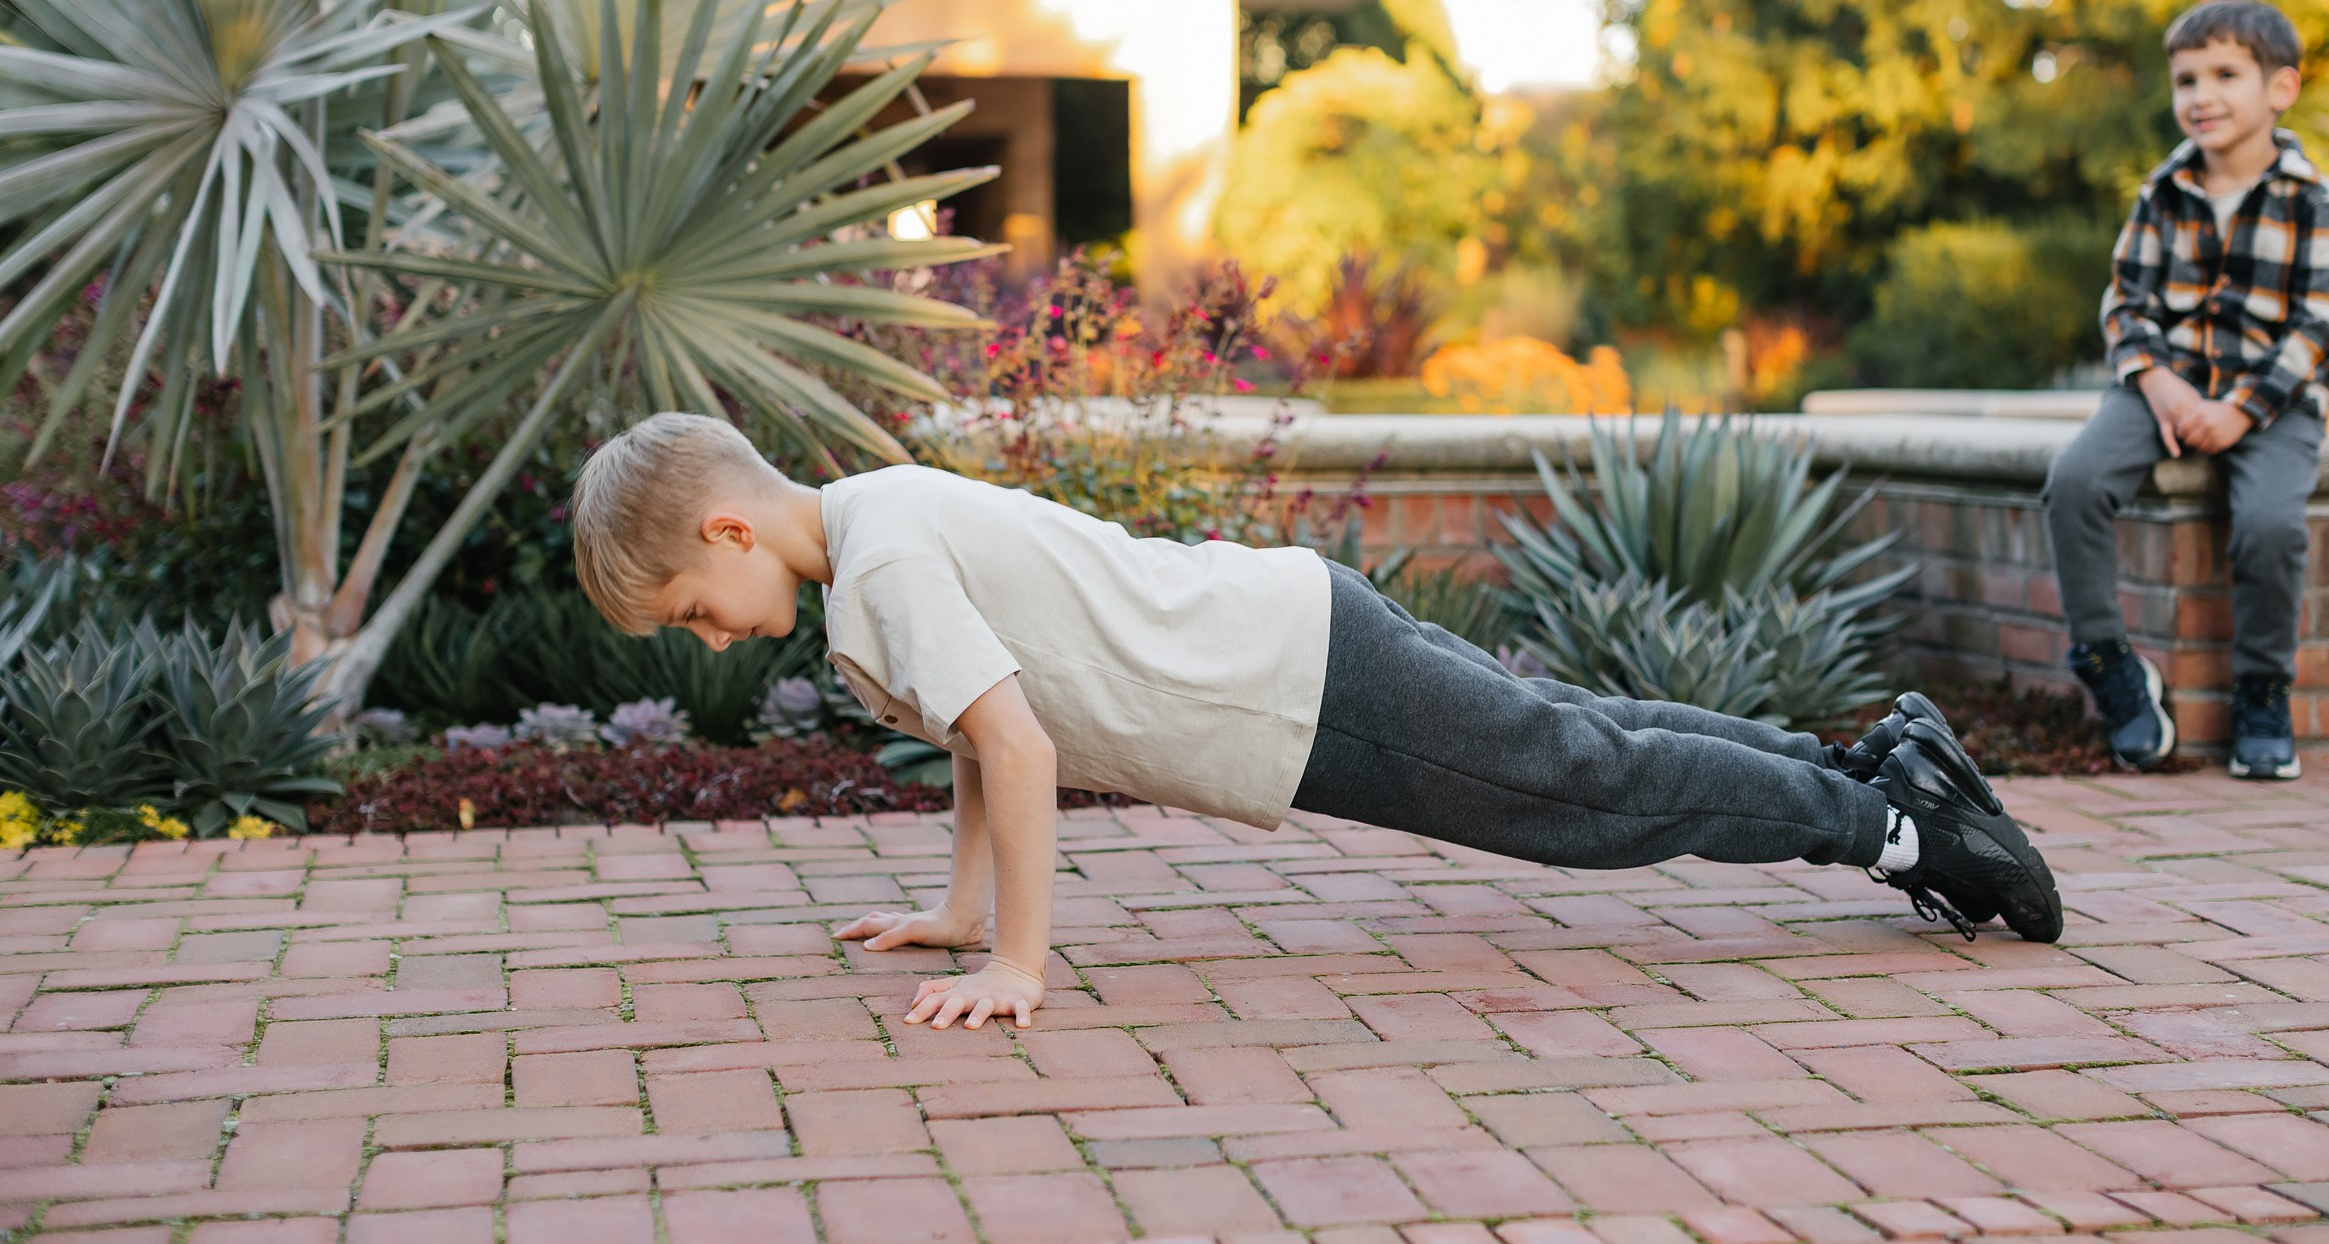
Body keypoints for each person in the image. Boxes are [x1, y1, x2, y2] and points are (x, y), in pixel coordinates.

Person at [572, 412, 2065, 1030]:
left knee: (1579, 791)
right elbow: (976, 733)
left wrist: (1023, 957)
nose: (711, 632)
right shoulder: (867, 538)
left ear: (723, 527)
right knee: (1578, 731)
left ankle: (1899, 824)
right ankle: (1863, 758)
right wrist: (962, 908)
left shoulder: (881, 556)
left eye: (695, 608)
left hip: (1284, 682)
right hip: (1287, 633)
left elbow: (1018, 742)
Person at [2044, 0, 2329, 782]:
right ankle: (2108, 659)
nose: (2200, 95)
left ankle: (2261, 692)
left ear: (2280, 89)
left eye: (2224, 74)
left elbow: (2318, 325)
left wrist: (2239, 410)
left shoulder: (2313, 197)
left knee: (2270, 526)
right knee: (2074, 483)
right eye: (2186, 79)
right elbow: (2124, 300)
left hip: (2275, 399)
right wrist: (2158, 384)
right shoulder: (2163, 189)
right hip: (2165, 385)